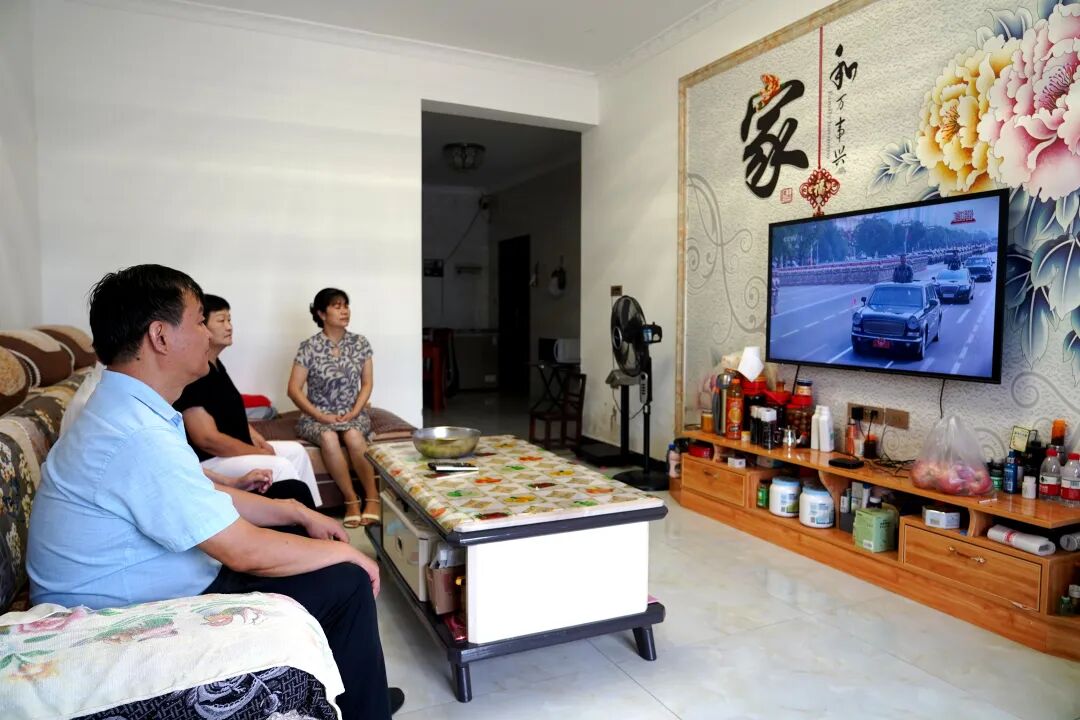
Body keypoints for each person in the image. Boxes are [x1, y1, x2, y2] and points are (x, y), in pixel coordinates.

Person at [27, 265, 402, 719]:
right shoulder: (135, 434)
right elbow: (243, 551)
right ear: (160, 336)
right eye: (199, 320)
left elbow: (200, 490)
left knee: (295, 511)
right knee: (346, 581)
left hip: (155, 576)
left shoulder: (129, 411)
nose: (208, 333)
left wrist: (295, 511)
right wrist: (346, 552)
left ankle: (354, 689)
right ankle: (364, 707)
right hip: (125, 614)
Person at [174, 294, 322, 509]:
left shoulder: (216, 366)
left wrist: (258, 439)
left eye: (229, 319)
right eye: (221, 320)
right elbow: (207, 439)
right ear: (202, 326)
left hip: (230, 455)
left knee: (296, 451)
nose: (229, 326)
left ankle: (312, 512)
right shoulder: (194, 374)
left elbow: (232, 415)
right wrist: (256, 452)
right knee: (279, 465)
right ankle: (293, 518)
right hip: (210, 460)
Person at [288, 289, 378, 529]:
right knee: (328, 437)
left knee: (354, 435)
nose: (344, 311)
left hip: (353, 412)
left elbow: (367, 383)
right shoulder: (309, 347)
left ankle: (372, 498)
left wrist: (355, 411)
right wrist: (320, 415)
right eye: (337, 306)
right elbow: (294, 389)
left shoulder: (360, 343)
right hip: (317, 416)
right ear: (321, 313)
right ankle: (351, 500)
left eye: (346, 305)